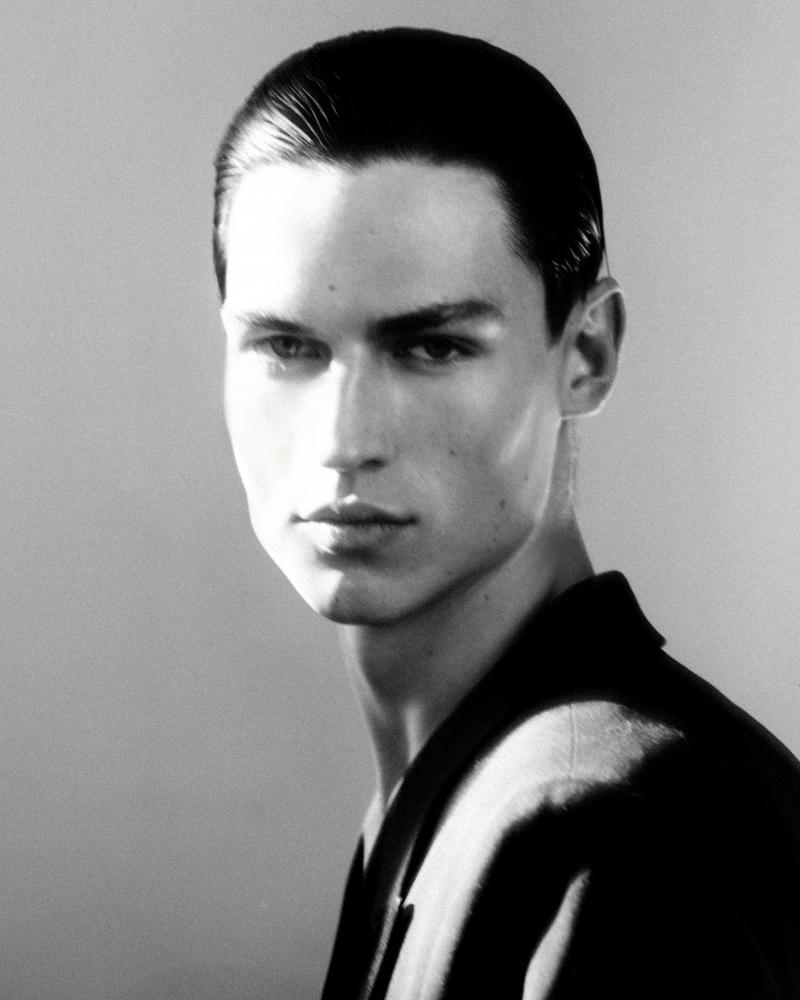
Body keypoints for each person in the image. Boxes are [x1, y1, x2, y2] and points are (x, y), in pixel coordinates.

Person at [213, 27, 800, 1000]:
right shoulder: (461, 793)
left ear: (586, 353)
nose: (343, 438)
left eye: (432, 347)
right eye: (285, 347)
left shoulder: (618, 837)